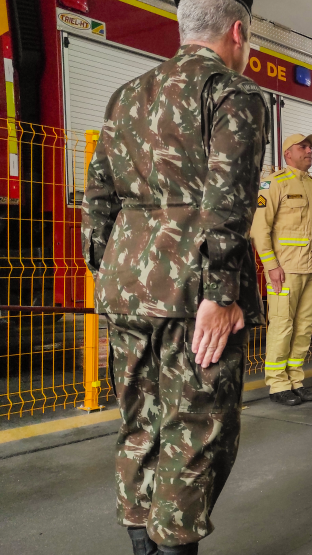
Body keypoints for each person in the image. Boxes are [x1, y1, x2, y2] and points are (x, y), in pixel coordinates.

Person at [81, 0, 267, 552]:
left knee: (139, 420)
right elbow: (227, 202)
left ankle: (143, 544)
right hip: (193, 296)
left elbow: (96, 196)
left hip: (127, 287)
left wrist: (110, 271)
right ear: (239, 31)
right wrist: (221, 293)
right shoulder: (232, 92)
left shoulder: (125, 95)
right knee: (198, 431)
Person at [251, 133, 312, 406]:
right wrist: (271, 266)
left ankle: (295, 379)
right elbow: (260, 229)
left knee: (304, 327)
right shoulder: (274, 183)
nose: (309, 151)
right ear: (287, 154)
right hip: (286, 270)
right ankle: (277, 383)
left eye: (310, 147)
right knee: (282, 326)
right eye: (303, 147)